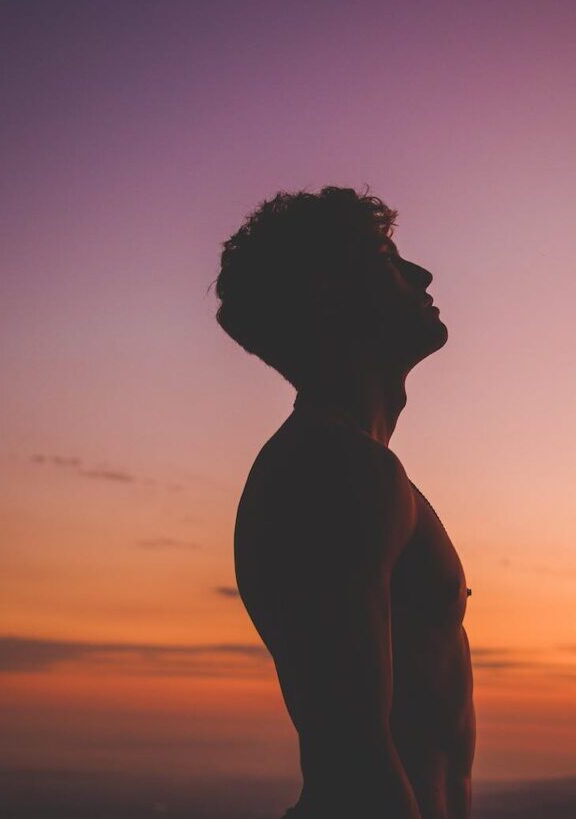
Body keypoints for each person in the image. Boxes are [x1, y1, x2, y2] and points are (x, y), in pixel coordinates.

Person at [214, 187, 475, 819]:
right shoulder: (336, 470)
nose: (421, 274)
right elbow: (353, 755)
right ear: (329, 292)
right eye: (388, 258)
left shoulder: (359, 467)